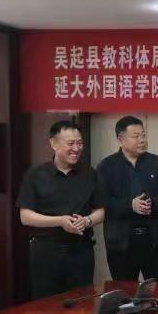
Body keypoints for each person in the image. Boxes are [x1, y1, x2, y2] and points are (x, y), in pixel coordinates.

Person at [15, 121, 105, 299]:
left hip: (81, 251)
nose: (76, 149)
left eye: (80, 143)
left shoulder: (90, 173)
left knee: (82, 302)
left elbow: (100, 211)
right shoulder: (36, 175)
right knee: (46, 304)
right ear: (54, 143)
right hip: (46, 251)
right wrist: (59, 221)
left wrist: (87, 221)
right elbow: (25, 216)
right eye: (70, 143)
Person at [97, 116, 158, 282]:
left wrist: (152, 203)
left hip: (153, 241)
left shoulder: (157, 163)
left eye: (143, 135)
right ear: (121, 139)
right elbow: (102, 201)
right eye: (136, 136)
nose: (142, 140)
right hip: (121, 243)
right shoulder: (106, 166)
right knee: (124, 292)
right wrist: (130, 205)